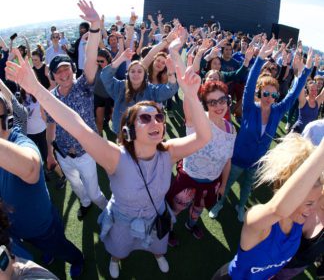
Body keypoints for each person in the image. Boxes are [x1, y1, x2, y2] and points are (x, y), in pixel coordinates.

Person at [5, 37, 212, 279]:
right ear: (129, 130)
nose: (155, 121)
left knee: (158, 244)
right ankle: (115, 259)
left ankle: (157, 254)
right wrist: (37, 89)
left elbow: (203, 137)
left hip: (156, 218)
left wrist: (191, 95)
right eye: (145, 118)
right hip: (123, 223)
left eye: (158, 117)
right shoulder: (116, 157)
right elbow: (77, 126)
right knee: (118, 249)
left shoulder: (168, 152)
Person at [209, 39, 312, 222]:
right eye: (266, 93)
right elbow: (248, 85)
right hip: (238, 157)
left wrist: (305, 71)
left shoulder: (278, 111)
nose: (269, 97)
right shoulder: (250, 107)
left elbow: (293, 95)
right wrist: (259, 60)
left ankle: (241, 207)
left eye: (273, 94)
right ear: (259, 92)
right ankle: (219, 203)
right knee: (227, 183)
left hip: (257, 162)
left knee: (247, 188)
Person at [212, 134, 324, 279]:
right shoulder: (258, 220)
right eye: (309, 203)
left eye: (315, 202)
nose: (313, 209)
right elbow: (279, 209)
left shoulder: (298, 222)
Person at [0, 91, 84, 278]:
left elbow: (30, 168)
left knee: (60, 247)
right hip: (17, 229)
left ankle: (78, 259)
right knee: (42, 247)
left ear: (8, 121)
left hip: (42, 225)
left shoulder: (21, 141)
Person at [166, 80, 236, 245]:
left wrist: (224, 185)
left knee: (198, 209)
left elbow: (227, 160)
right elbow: (189, 108)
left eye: (222, 100)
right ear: (205, 104)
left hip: (211, 183)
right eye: (212, 102)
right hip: (188, 180)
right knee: (175, 209)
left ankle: (191, 225)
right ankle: (168, 231)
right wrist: (189, 88)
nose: (219, 106)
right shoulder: (197, 121)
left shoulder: (230, 128)